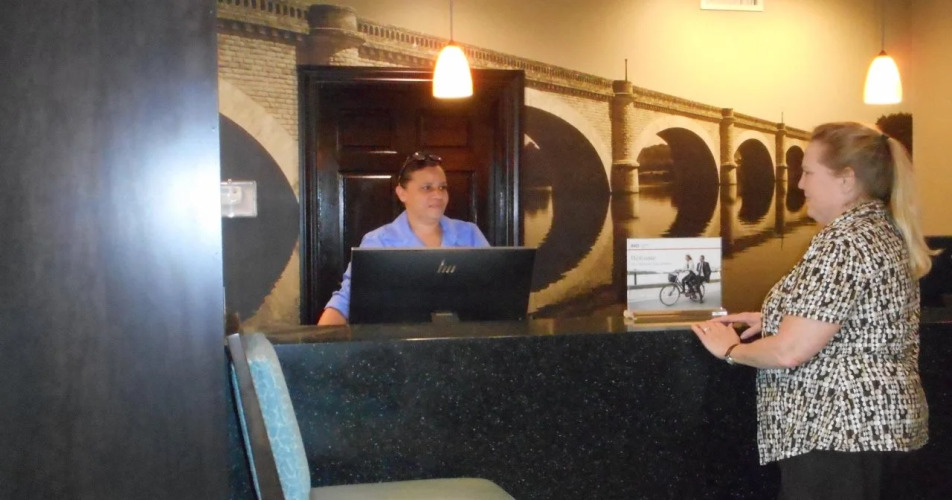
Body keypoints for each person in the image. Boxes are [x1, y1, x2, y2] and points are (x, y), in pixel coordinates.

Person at [692, 122, 931, 498]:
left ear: (846, 180)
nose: (800, 184)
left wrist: (731, 350)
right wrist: (776, 317)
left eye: (808, 172)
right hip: (874, 429)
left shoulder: (843, 241)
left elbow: (790, 351)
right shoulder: (878, 228)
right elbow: (856, 319)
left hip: (838, 431)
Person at [317, 151, 490, 326]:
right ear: (402, 193)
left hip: (465, 339)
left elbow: (494, 291)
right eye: (427, 188)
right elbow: (346, 300)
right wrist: (322, 338)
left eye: (442, 187)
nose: (438, 195)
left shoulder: (469, 234)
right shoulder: (378, 242)